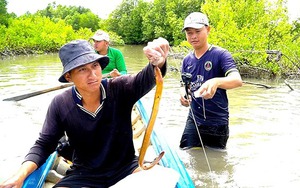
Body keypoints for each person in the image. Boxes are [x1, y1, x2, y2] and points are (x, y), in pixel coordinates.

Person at [0, 37, 169, 188]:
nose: (93, 74)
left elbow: (148, 77)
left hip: (125, 168)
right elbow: (44, 144)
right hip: (84, 175)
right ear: (68, 76)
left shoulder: (119, 88)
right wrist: (19, 175)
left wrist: (158, 62)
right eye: (82, 69)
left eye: (95, 65)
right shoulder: (61, 104)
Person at [179, 12, 243, 150]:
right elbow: (184, 85)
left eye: (197, 31)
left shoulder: (221, 54)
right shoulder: (186, 60)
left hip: (217, 122)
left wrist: (216, 82)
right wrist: (183, 96)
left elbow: (237, 80)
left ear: (208, 30)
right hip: (194, 120)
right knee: (186, 153)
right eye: (189, 33)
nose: (193, 36)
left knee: (217, 161)